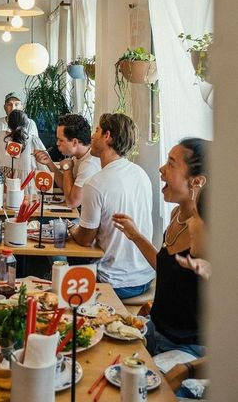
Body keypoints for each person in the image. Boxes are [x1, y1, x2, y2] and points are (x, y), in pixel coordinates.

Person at [113, 137, 208, 358]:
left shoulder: (205, 234)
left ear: (197, 181)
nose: (161, 168)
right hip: (155, 330)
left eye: (172, 163)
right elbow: (166, 268)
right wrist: (136, 236)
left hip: (184, 348)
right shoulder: (176, 215)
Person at [69, 113, 155, 299]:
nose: (92, 136)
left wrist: (71, 228)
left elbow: (84, 239)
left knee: (60, 263)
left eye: (97, 131)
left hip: (114, 281)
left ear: (107, 136)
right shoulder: (141, 174)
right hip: (146, 277)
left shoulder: (96, 183)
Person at [34, 113, 101, 207]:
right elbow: (66, 187)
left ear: (74, 142)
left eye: (61, 140)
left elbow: (72, 203)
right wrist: (49, 163)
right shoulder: (79, 155)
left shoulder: (89, 165)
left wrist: (67, 168)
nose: (57, 143)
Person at [0, 109, 47, 191]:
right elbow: (44, 167)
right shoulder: (33, 140)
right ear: (27, 124)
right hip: (25, 185)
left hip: (1, 184)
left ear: (8, 123)